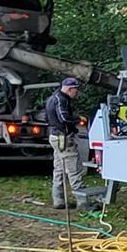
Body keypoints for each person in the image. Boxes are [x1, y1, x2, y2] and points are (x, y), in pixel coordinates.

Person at [45, 76, 88, 210]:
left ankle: (58, 200)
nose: (77, 93)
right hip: (63, 138)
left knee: (59, 169)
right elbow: (64, 117)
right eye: (76, 90)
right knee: (74, 168)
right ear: (70, 89)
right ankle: (82, 202)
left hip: (55, 137)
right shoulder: (61, 100)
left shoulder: (53, 98)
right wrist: (78, 119)